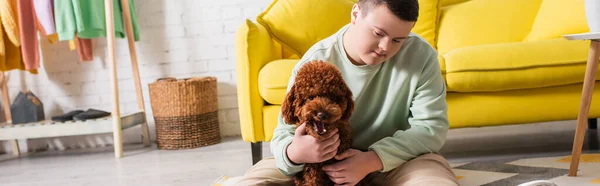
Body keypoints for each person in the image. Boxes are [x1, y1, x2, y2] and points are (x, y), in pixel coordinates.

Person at [237, 0, 459, 185]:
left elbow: (431, 128)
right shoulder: (317, 60)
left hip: (397, 160)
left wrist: (372, 160)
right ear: (356, 13)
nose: (385, 47)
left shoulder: (422, 56)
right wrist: (295, 153)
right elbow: (283, 132)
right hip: (316, 162)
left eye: (398, 40)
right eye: (378, 33)